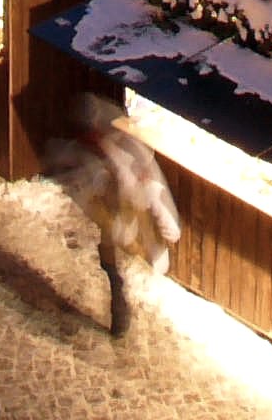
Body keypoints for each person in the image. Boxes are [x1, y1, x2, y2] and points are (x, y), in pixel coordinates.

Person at [56, 105, 179, 337]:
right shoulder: (98, 147)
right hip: (113, 210)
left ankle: (119, 307)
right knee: (110, 253)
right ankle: (118, 303)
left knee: (116, 247)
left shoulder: (126, 149)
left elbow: (150, 189)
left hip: (125, 207)